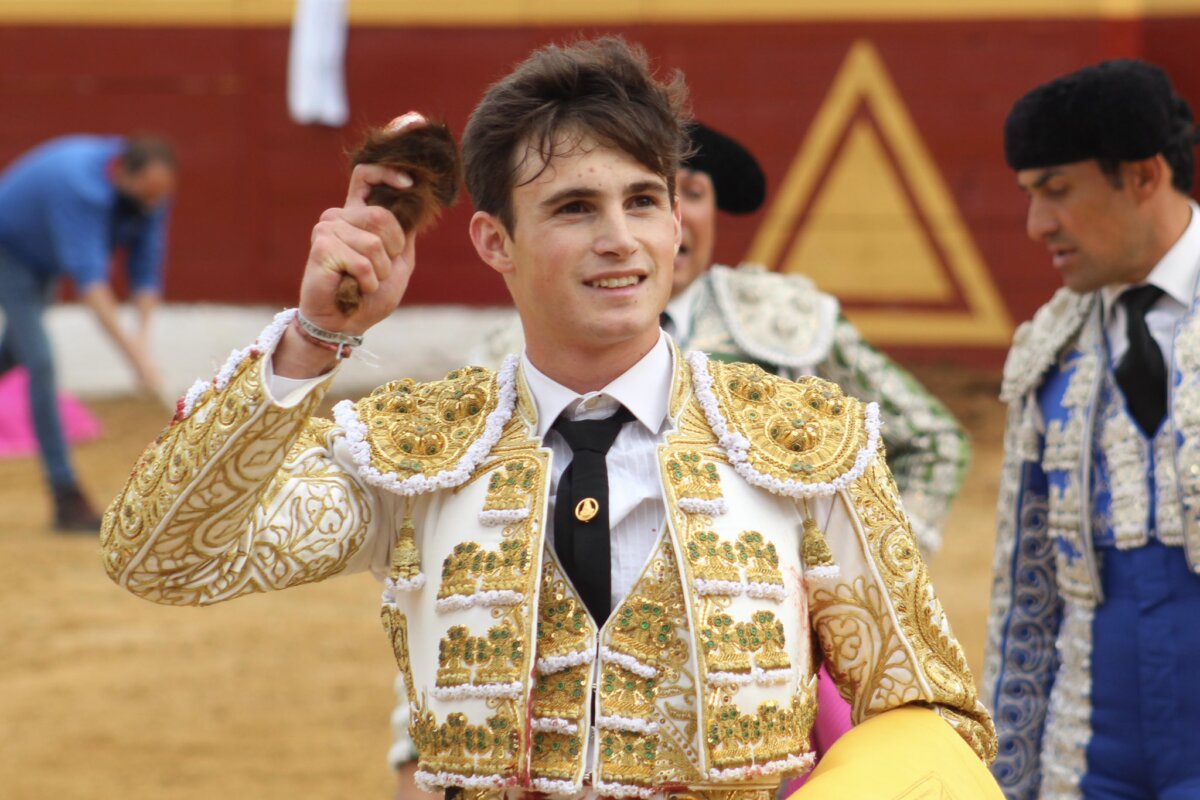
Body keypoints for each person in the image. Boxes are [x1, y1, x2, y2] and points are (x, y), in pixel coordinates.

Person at [103, 37, 999, 797]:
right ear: (496, 241)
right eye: (575, 208)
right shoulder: (416, 453)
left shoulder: (799, 444)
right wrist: (313, 339)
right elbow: (162, 556)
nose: (622, 238)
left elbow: (928, 718)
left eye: (644, 201)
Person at [474, 121, 969, 558]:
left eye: (680, 195)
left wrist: (865, 567)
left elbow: (931, 439)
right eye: (581, 207)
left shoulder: (783, 319)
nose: (623, 233)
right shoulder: (510, 354)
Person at [986, 60, 1200, 800]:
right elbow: (1028, 594)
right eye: (1030, 195)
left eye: (1057, 191)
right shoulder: (1050, 347)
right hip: (1090, 759)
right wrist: (1008, 777)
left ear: (1142, 176)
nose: (1038, 224)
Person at [0, 134, 175, 531]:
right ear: (122, 177)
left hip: (42, 257)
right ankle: (66, 496)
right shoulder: (80, 188)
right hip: (7, 250)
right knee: (39, 364)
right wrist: (135, 358)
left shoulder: (149, 191)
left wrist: (143, 344)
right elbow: (91, 286)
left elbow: (146, 273)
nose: (152, 205)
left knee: (12, 355)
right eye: (145, 196)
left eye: (157, 198)